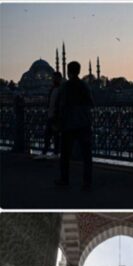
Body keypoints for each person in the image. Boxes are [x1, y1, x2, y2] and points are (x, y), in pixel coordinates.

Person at [56, 61, 94, 190]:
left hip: (69, 124)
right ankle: (87, 182)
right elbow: (91, 102)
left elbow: (62, 105)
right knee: (86, 155)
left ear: (68, 71)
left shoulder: (65, 86)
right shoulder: (85, 86)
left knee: (65, 154)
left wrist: (60, 121)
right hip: (84, 123)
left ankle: (64, 179)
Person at [42, 71, 63, 157]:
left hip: (56, 117)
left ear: (59, 79)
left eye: (55, 78)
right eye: (53, 78)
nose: (53, 79)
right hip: (50, 115)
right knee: (47, 135)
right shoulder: (52, 89)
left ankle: (56, 152)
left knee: (55, 135)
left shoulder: (61, 89)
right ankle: (45, 152)